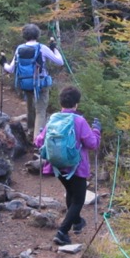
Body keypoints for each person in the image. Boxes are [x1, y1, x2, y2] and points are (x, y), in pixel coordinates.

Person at [34, 86, 101, 246]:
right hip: (76, 167)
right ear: (76, 104)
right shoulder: (79, 120)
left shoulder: (53, 119)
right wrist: (97, 130)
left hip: (57, 165)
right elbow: (92, 144)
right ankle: (62, 232)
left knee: (71, 193)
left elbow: (38, 141)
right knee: (78, 199)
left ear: (61, 102)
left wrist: (43, 131)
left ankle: (77, 222)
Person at [0, 23, 63, 140]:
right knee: (40, 111)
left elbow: (10, 69)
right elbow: (60, 62)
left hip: (25, 84)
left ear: (24, 35)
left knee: (30, 108)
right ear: (37, 35)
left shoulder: (19, 49)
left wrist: (3, 62)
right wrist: (54, 49)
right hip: (40, 84)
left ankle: (30, 131)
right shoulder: (42, 48)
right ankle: (37, 140)